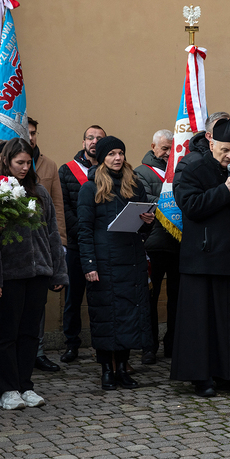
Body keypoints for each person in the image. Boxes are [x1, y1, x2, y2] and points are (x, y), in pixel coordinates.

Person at [171, 119, 230, 397]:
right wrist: (224, 191)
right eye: (225, 150)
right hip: (202, 259)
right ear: (210, 140)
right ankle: (201, 378)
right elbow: (190, 207)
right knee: (201, 324)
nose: (229, 156)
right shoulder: (191, 167)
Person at [0, 138, 68, 410]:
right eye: (19, 162)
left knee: (29, 334)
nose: (24, 168)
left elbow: (52, 235)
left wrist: (58, 272)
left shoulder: (40, 192)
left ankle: (25, 385)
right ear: (6, 161)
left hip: (39, 273)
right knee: (7, 333)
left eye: (28, 162)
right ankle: (7, 388)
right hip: (10, 275)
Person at [78, 136, 154, 389]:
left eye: (120, 152)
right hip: (104, 262)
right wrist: (89, 265)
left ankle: (122, 368)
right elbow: (84, 230)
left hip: (131, 260)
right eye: (111, 153)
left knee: (129, 317)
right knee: (106, 318)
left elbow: (143, 232)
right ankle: (106, 371)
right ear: (101, 158)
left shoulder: (135, 184)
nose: (117, 158)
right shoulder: (90, 188)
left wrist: (147, 222)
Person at [58, 125, 106, 363]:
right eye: (90, 138)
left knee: (102, 299)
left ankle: (102, 344)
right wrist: (82, 232)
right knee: (72, 298)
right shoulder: (66, 170)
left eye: (99, 138)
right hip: (77, 245)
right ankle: (71, 344)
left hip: (103, 245)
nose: (94, 142)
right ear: (83, 141)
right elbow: (63, 207)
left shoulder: (110, 170)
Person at [134, 129, 178, 363]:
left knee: (177, 298)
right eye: (164, 148)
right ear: (153, 147)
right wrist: (172, 204)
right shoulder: (141, 172)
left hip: (178, 243)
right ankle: (148, 347)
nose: (168, 153)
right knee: (150, 298)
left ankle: (173, 344)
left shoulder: (180, 169)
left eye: (172, 148)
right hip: (153, 244)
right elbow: (145, 200)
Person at [28, 118, 66, 373]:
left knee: (38, 305)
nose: (30, 137)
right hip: (16, 249)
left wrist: (61, 244)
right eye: (25, 133)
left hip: (42, 246)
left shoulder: (49, 165)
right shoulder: (0, 163)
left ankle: (38, 352)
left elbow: (57, 208)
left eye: (33, 133)